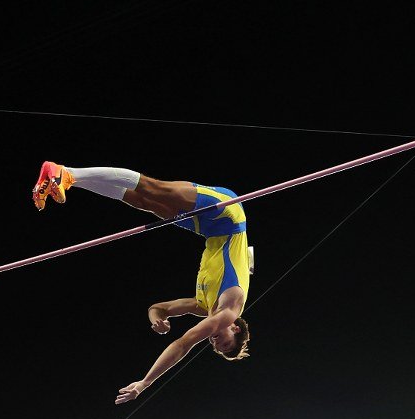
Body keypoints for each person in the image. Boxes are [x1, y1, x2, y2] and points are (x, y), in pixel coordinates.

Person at [33, 162, 252, 404]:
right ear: (235, 328)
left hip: (209, 230)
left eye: (216, 346)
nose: (214, 341)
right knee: (153, 188)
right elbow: (182, 344)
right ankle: (68, 174)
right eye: (223, 341)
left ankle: (64, 175)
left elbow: (158, 308)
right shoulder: (230, 309)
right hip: (229, 216)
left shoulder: (202, 306)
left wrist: (156, 319)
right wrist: (145, 383)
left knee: (144, 202)